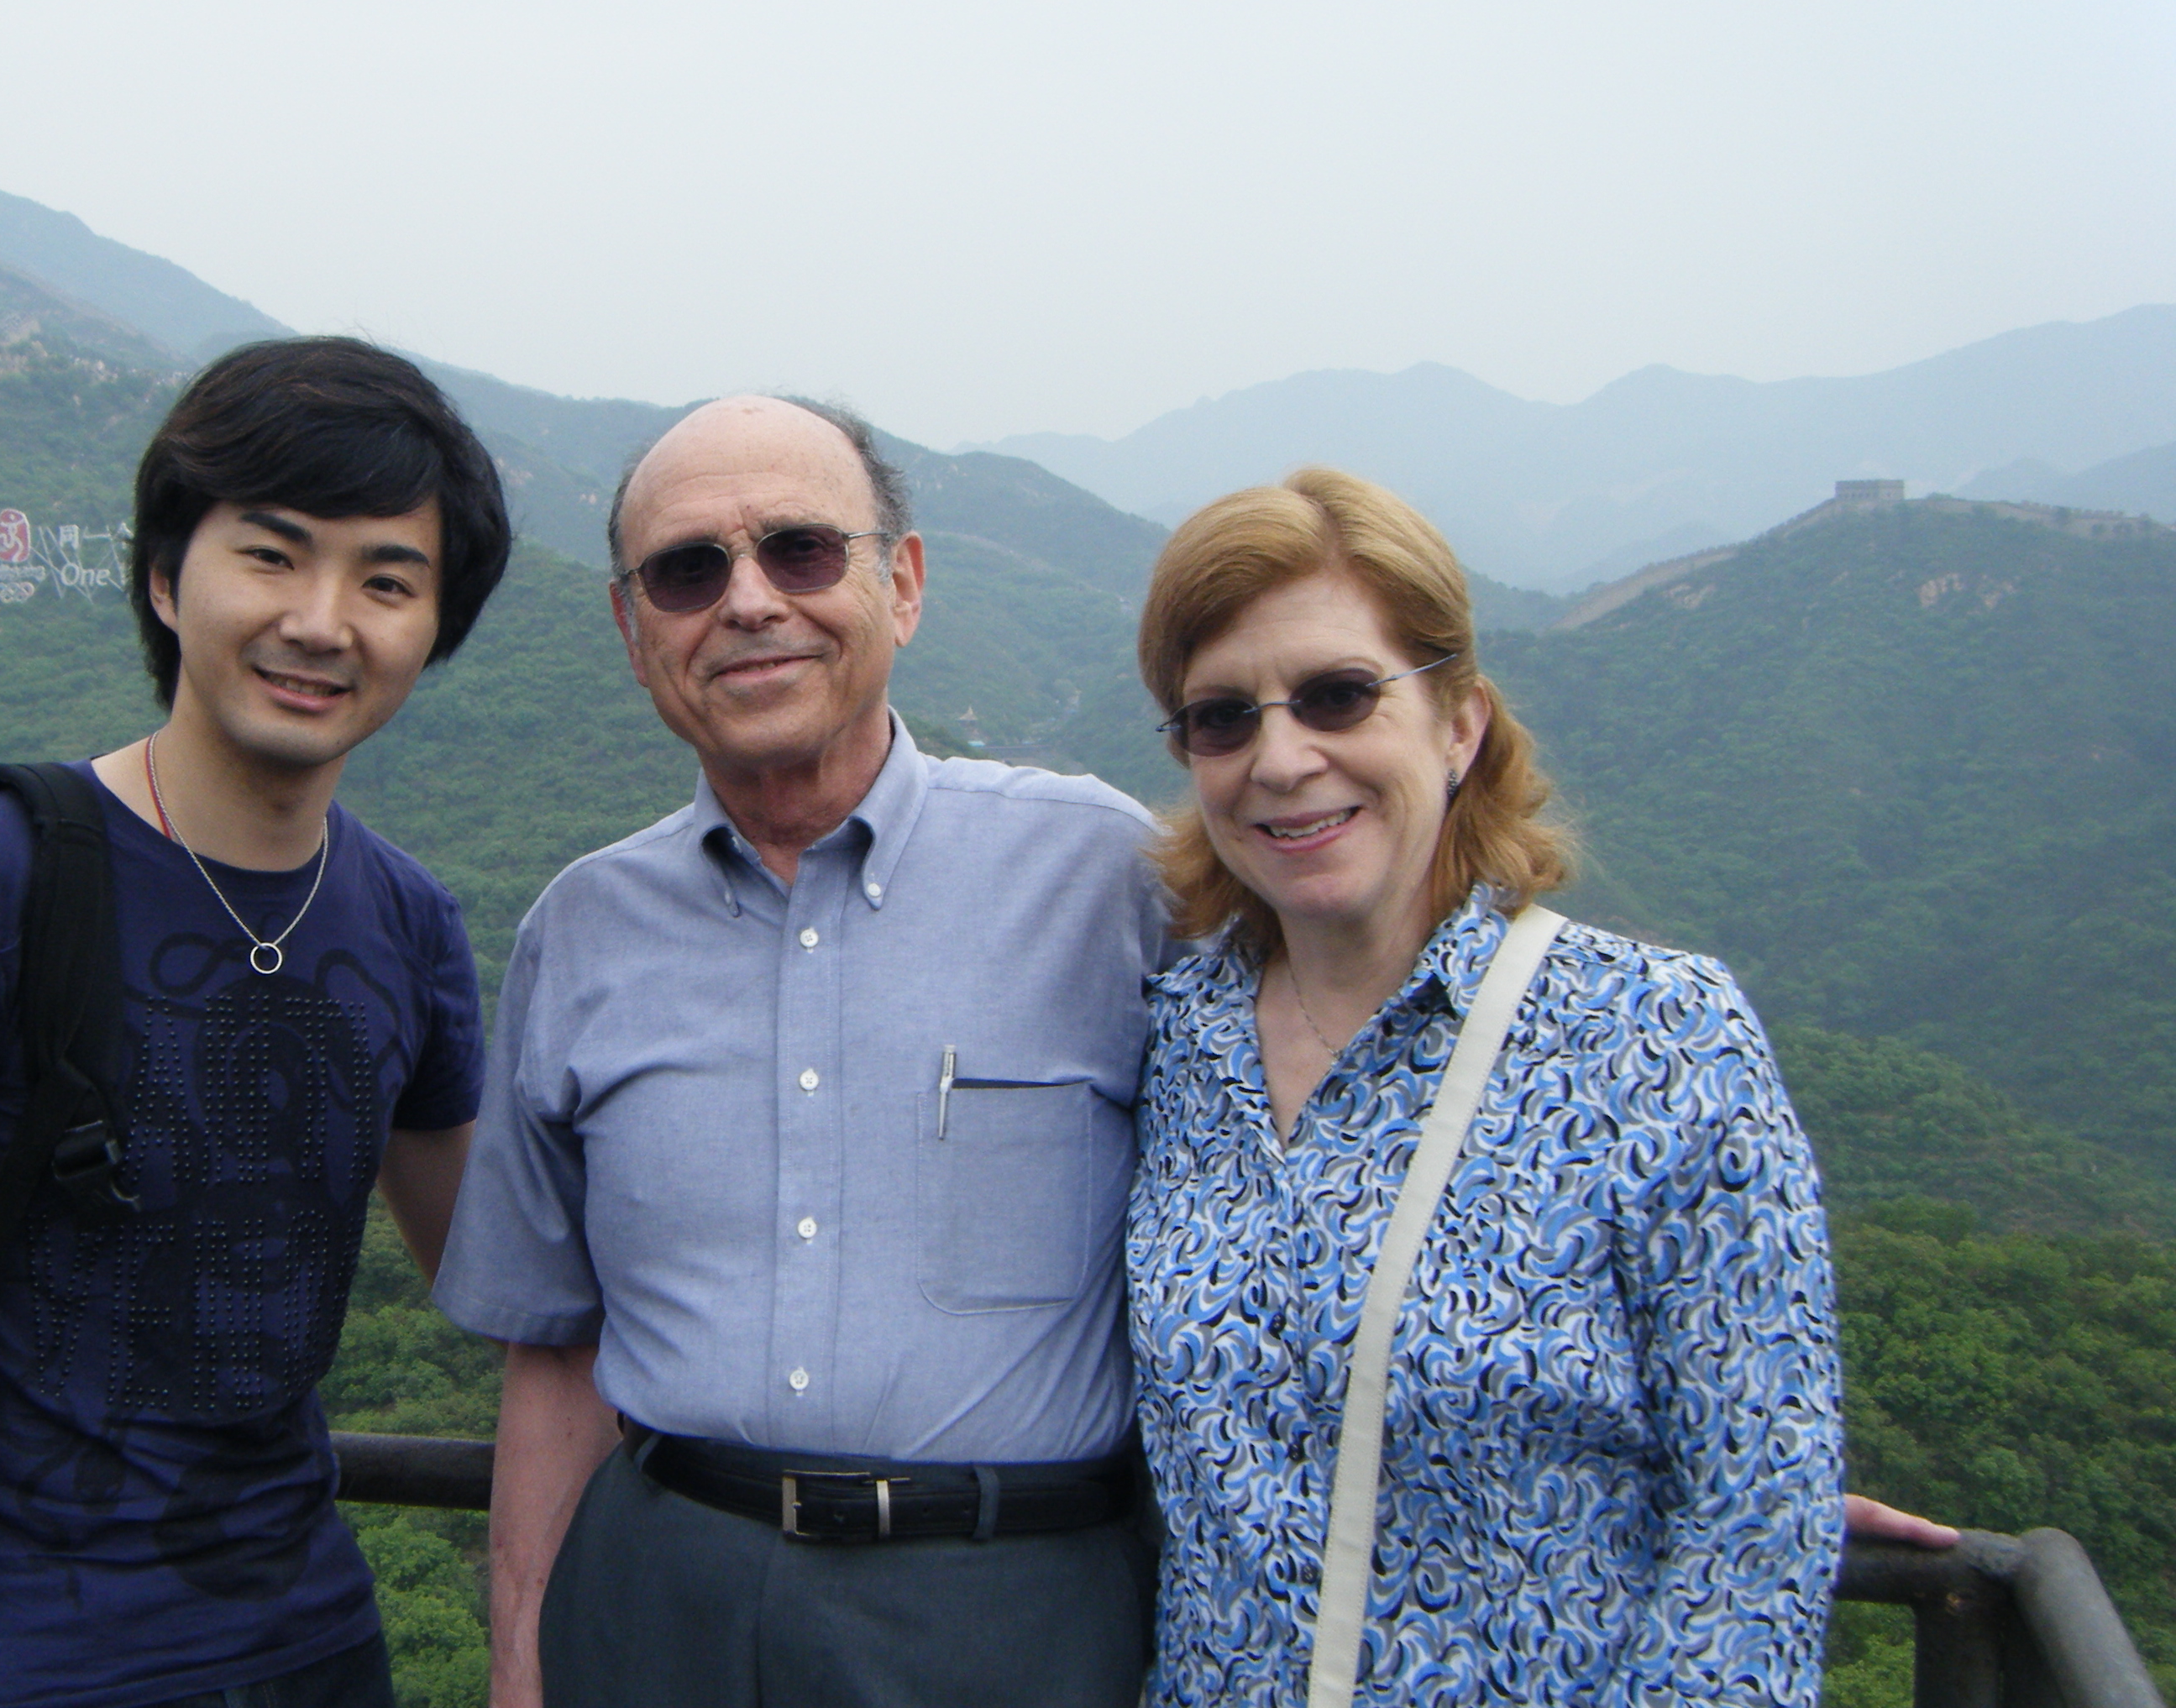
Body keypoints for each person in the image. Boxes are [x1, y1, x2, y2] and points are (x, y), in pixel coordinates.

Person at [0, 338, 511, 1708]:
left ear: (432, 632)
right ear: (167, 578)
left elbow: (492, 1271)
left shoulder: (408, 922)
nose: (323, 621)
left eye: (386, 581)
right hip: (3, 1654)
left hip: (309, 1645)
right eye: (271, 556)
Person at [433, 396, 1176, 1707]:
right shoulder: (583, 932)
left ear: (904, 581)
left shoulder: (1104, 877)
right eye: (686, 571)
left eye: (803, 549)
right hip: (660, 1604)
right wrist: (518, 1661)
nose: (749, 600)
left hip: (1017, 1613)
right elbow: (552, 1351)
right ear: (630, 628)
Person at [1123, 466, 1847, 1705]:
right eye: (1222, 718)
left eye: (1339, 697)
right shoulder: (1176, 1033)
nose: (1281, 759)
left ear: (1459, 725)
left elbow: (1756, 1520)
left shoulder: (1656, 1039)